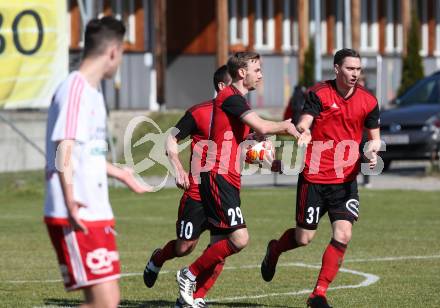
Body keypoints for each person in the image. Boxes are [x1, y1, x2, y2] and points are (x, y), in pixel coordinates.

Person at [176, 51, 300, 306]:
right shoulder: (231, 97)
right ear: (242, 72)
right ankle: (188, 274)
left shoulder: (238, 103)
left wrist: (268, 161)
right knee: (239, 238)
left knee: (221, 243)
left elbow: (240, 145)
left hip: (229, 177)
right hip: (218, 176)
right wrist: (286, 126)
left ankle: (191, 299)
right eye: (257, 69)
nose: (261, 74)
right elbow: (263, 127)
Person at [260, 48, 381, 308]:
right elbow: (305, 120)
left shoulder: (368, 101)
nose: (355, 74)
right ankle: (275, 250)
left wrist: (372, 151)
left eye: (358, 69)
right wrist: (302, 131)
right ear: (336, 68)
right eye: (350, 68)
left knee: (344, 233)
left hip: (346, 181)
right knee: (304, 238)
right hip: (314, 178)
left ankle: (318, 294)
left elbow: (375, 138)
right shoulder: (319, 93)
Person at [44, 16, 149, 308]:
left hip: (96, 209)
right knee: (104, 302)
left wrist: (121, 174)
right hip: (77, 210)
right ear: (113, 52)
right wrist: (70, 201)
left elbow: (85, 154)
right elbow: (63, 148)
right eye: (122, 55)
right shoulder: (74, 89)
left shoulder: (93, 93)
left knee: (108, 300)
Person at [143, 65, 232, 308]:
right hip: (197, 193)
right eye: (236, 84)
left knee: (222, 245)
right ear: (222, 87)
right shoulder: (199, 112)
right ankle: (158, 258)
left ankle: (197, 296)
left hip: (223, 193)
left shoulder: (240, 115)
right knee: (185, 247)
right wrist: (179, 168)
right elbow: (171, 138)